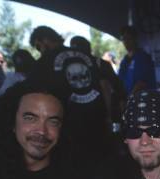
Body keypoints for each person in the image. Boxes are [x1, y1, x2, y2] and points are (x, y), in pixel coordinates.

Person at [29, 26, 110, 161]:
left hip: (69, 131)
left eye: (38, 47)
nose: (40, 51)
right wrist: (108, 116)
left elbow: (33, 95)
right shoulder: (86, 55)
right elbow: (105, 86)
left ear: (44, 40)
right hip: (97, 123)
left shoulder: (45, 61)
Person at [70, 35, 125, 127]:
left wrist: (110, 115)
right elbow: (118, 88)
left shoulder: (99, 65)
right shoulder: (100, 64)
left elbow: (110, 88)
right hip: (96, 115)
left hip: (97, 114)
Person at [118, 25, 156, 97]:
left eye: (129, 38)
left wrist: (129, 98)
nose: (126, 42)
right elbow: (119, 82)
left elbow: (141, 83)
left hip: (143, 99)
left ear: (135, 39)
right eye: (124, 39)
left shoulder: (143, 58)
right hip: (129, 101)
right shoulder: (124, 61)